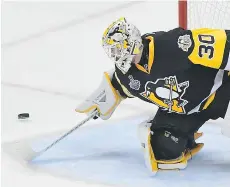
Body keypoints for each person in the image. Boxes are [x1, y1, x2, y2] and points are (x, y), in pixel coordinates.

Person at [76, 17, 230, 175]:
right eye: (113, 52)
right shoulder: (126, 76)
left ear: (132, 42)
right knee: (163, 150)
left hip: (222, 91)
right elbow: (118, 85)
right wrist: (105, 98)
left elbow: (225, 43)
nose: (117, 55)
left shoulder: (175, 45)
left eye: (119, 49)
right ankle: (182, 137)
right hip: (186, 111)